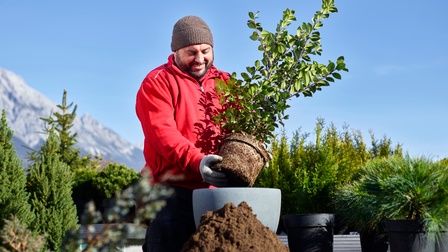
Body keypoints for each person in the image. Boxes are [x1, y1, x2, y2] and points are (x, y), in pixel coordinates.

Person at [135, 15, 230, 252]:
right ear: (175, 51)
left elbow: (241, 130)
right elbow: (163, 134)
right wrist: (198, 162)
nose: (200, 59)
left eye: (205, 51)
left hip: (215, 195)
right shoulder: (157, 82)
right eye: (191, 52)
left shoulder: (227, 84)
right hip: (170, 194)